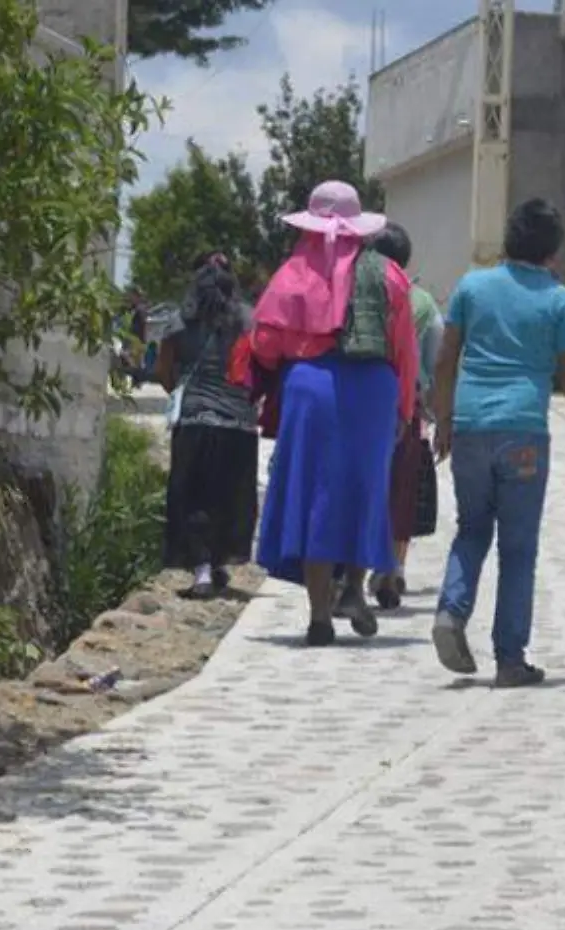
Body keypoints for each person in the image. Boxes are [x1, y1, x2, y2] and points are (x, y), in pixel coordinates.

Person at [431, 199, 565, 687]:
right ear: (553, 250)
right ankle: (510, 659)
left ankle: (450, 612)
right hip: (524, 428)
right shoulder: (558, 299)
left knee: (471, 530)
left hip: (469, 423)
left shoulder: (471, 286)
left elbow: (445, 360)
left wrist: (443, 419)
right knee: (519, 546)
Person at [241, 180, 419, 647]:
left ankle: (319, 613)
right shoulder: (388, 275)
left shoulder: (293, 272)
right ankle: (355, 590)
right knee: (366, 488)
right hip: (373, 391)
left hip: (311, 388)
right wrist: (403, 407)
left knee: (314, 492)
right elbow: (404, 349)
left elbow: (264, 341)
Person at [155, 252, 259, 600]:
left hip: (195, 421)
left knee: (193, 496)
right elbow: (260, 368)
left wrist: (186, 394)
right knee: (228, 497)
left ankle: (201, 572)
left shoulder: (180, 320)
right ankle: (218, 564)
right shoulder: (248, 320)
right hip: (238, 423)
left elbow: (163, 372)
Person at [364, 223, 445, 610]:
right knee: (402, 491)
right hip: (406, 408)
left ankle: (357, 566)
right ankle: (394, 567)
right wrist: (438, 412)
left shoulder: (354, 292)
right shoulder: (423, 302)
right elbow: (434, 360)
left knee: (366, 486)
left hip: (360, 405)